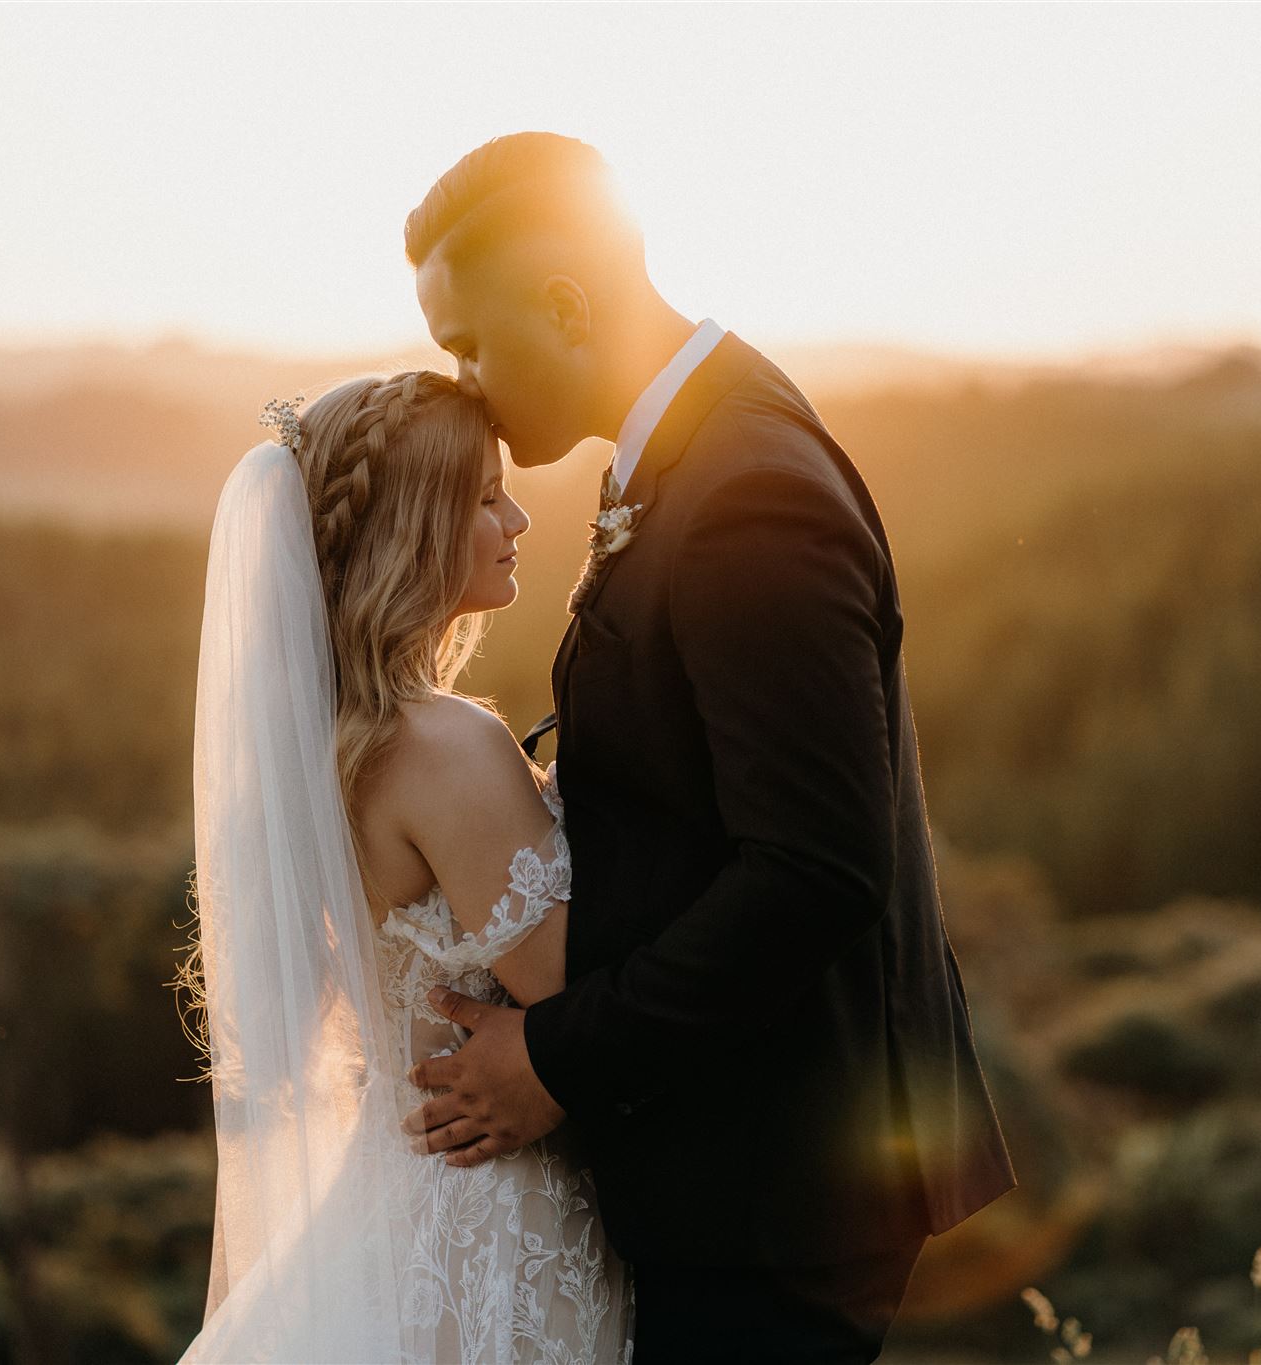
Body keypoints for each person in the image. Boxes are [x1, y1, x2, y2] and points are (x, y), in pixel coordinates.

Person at [400, 132, 1018, 1364]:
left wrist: (556, 1061)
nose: (463, 382)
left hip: (780, 1184)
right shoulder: (694, 444)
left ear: (566, 305)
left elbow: (816, 870)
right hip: (743, 1156)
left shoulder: (746, 492)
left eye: (470, 344)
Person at [180, 371, 635, 1362]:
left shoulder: (336, 742)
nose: (514, 517)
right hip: (489, 1219)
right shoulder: (446, 747)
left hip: (390, 1189)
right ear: (409, 532)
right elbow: (570, 991)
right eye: (480, 497)